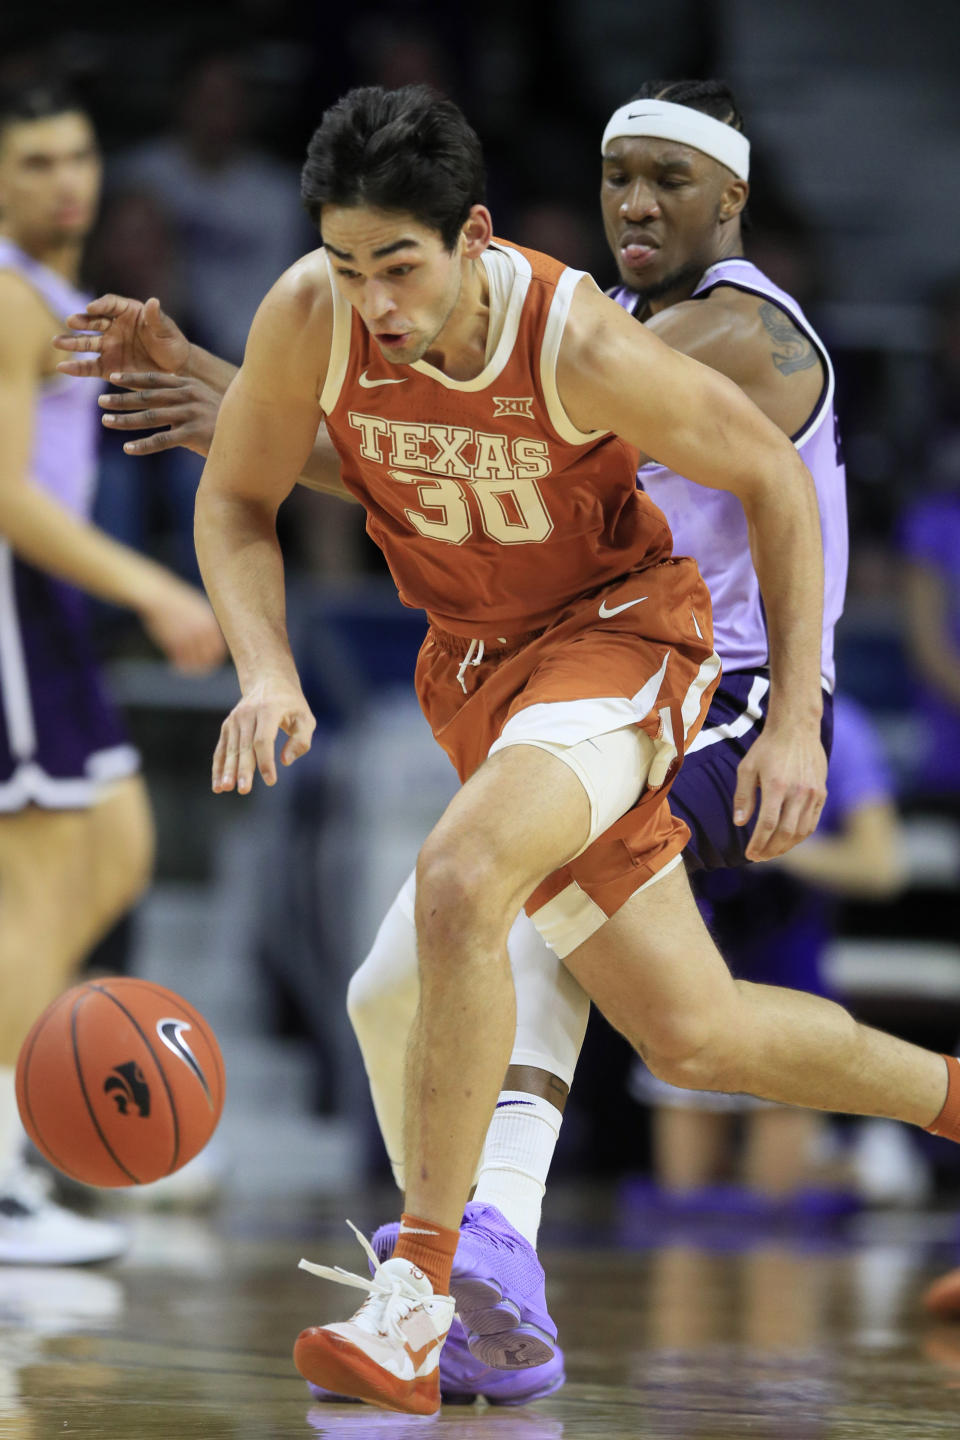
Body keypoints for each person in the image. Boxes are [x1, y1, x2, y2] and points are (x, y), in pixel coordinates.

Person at [54, 84, 958, 1419]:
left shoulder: (682, 330)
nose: (637, 205)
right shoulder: (361, 307)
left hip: (677, 661)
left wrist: (799, 722)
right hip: (494, 665)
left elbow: (760, 482)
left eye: (669, 179)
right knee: (662, 1029)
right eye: (616, 177)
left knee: (478, 881)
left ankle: (446, 1281)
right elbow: (378, 463)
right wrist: (230, 412)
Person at [0, 82, 224, 1265]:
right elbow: (7, 497)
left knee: (119, 847)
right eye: (33, 161)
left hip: (48, 610)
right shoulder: (3, 295)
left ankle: (50, 1114)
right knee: (39, 889)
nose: (64, 181)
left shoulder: (55, 299)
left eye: (78, 153)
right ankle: (2, 1179)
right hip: (12, 598)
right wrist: (155, 586)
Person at [631, 691, 906, 1212]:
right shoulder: (675, 708)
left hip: (785, 958)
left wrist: (769, 854)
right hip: (692, 956)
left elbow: (880, 867)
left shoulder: (839, 728)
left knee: (774, 1202)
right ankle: (844, 1160)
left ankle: (861, 1166)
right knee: (684, 1199)